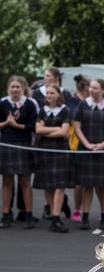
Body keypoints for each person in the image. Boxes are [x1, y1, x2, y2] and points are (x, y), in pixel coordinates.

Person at [73, 78, 104, 230]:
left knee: (102, 186)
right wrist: (87, 144)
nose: (92, 90)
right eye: (91, 87)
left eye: (96, 88)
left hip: (103, 151)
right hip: (86, 150)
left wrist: (103, 145)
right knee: (87, 185)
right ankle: (85, 217)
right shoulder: (82, 104)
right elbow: (77, 126)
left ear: (103, 90)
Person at [33, 83, 72, 232]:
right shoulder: (42, 110)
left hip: (60, 150)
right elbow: (37, 129)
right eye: (47, 93)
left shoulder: (65, 110)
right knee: (48, 184)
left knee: (59, 185)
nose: (49, 96)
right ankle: (52, 212)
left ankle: (56, 218)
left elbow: (64, 132)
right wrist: (56, 128)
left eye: (52, 93)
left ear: (58, 95)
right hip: (44, 150)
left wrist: (46, 131)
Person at [0, 75, 38, 229]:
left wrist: (17, 125)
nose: (15, 89)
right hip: (6, 144)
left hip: (24, 143)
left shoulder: (30, 104)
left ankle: (28, 214)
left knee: (25, 181)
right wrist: (6, 123)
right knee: (7, 181)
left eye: (18, 87)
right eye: (12, 87)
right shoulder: (2, 103)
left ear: (23, 88)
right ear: (8, 88)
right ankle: (6, 214)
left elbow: (34, 126)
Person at [68, 75, 91, 223]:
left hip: (92, 142)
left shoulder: (94, 102)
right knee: (79, 181)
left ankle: (86, 210)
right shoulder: (73, 102)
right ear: (85, 88)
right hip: (76, 144)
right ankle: (77, 208)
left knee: (89, 181)